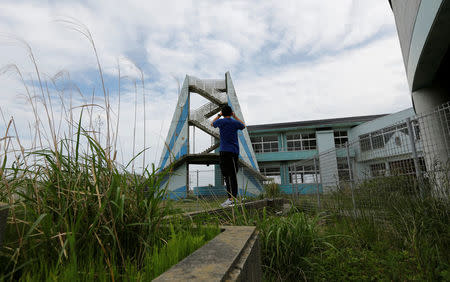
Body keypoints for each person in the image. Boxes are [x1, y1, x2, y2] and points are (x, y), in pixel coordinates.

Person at [211, 105, 246, 207]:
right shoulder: (235, 123)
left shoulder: (221, 121)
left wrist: (219, 115)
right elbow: (243, 125)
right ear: (231, 113)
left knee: (227, 175)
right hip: (234, 152)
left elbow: (212, 123)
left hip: (224, 152)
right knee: (233, 175)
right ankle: (233, 198)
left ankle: (230, 199)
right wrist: (235, 117)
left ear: (223, 113)